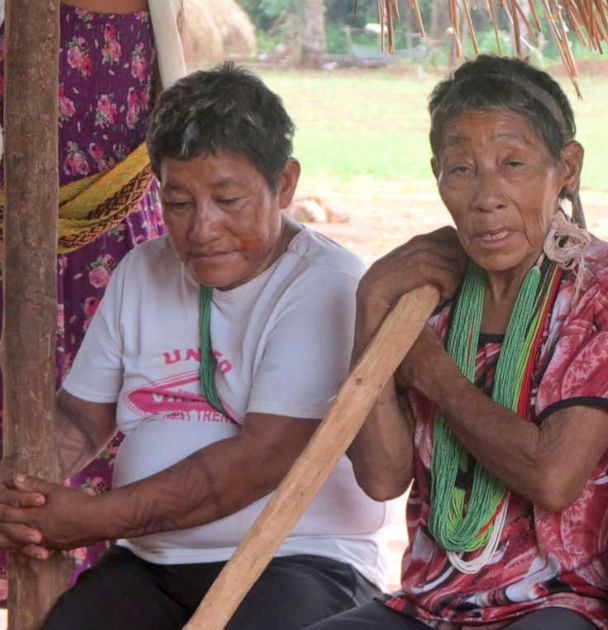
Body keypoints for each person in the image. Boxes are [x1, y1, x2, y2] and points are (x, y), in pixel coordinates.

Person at [0, 63, 395, 630]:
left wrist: (92, 517)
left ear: (284, 184)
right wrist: (21, 497)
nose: (201, 228)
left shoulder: (325, 283)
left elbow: (260, 459)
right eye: (179, 203)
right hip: (153, 563)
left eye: (228, 199)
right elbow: (82, 420)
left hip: (299, 561)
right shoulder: (143, 270)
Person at [306, 55, 608, 629]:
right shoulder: (428, 292)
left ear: (566, 167)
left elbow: (552, 477)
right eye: (460, 170)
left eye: (512, 163)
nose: (485, 197)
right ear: (437, 174)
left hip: (561, 603)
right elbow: (381, 478)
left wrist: (432, 374)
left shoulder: (602, 284)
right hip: (430, 604)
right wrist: (371, 306)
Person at [0, 0, 185, 595]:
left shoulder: (161, 11)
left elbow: (180, 116)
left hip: (119, 247)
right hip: (19, 243)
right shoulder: (23, 12)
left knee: (115, 407)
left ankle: (99, 578)